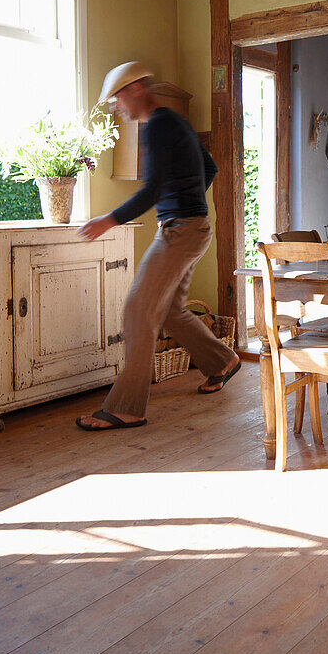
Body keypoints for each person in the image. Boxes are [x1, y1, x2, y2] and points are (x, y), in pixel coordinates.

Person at [76, 61, 240, 431]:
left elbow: (151, 190)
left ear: (135, 89)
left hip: (181, 230)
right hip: (192, 227)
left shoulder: (156, 127)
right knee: (167, 311)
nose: (116, 107)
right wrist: (189, 202)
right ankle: (222, 361)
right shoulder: (174, 122)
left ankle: (127, 407)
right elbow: (209, 167)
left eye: (117, 98)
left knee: (137, 309)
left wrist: (109, 220)